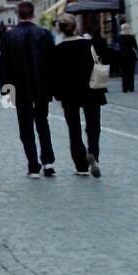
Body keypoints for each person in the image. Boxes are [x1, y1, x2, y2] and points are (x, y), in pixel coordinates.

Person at [0, 0, 57, 178]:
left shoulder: (9, 36)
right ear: (33, 14)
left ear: (17, 15)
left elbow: (4, 66)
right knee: (43, 123)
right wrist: (52, 87)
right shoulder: (44, 34)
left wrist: (6, 92)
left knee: (25, 127)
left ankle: (33, 165)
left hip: (19, 88)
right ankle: (48, 162)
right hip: (41, 87)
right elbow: (51, 63)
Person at [51, 13, 108, 178]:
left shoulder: (58, 50)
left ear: (60, 30)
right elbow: (100, 61)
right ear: (76, 27)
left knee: (73, 128)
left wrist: (57, 93)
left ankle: (81, 164)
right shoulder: (89, 44)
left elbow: (54, 75)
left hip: (69, 93)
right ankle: (94, 154)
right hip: (92, 88)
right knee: (93, 126)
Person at [115, 23, 138, 93]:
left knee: (124, 73)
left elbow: (118, 46)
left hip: (122, 56)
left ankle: (124, 88)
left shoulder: (119, 37)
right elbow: (135, 47)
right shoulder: (131, 37)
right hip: (131, 55)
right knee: (131, 72)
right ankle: (131, 87)